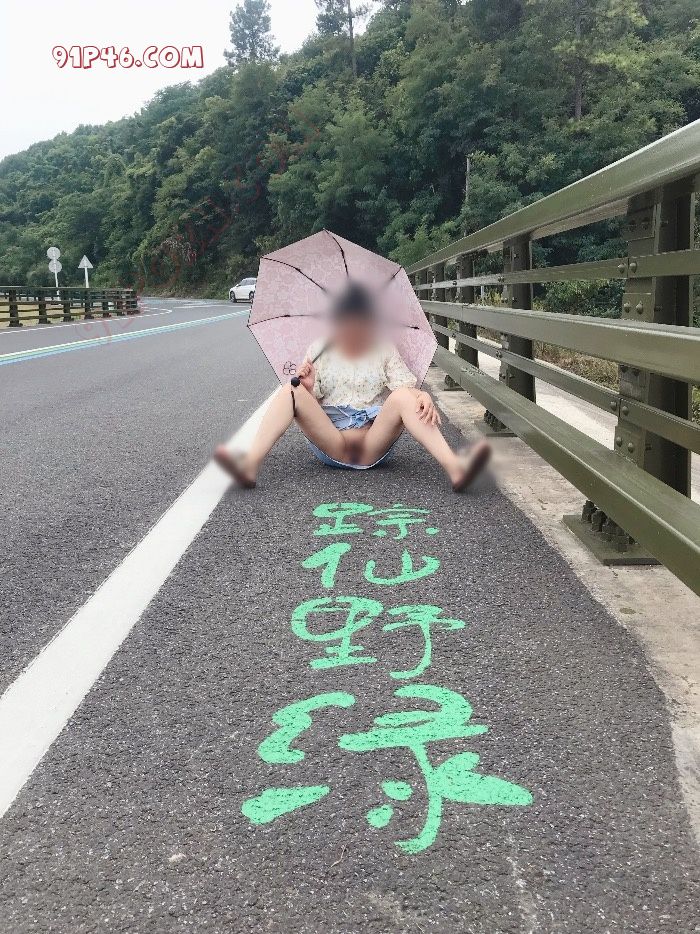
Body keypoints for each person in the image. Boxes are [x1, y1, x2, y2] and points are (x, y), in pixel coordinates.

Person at [213, 282, 491, 490]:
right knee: (291, 391)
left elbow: (404, 390)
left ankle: (455, 469)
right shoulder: (319, 349)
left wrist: (422, 396)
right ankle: (250, 465)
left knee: (404, 397)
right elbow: (310, 405)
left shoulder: (383, 348)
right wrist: (308, 386)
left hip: (373, 443)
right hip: (332, 442)